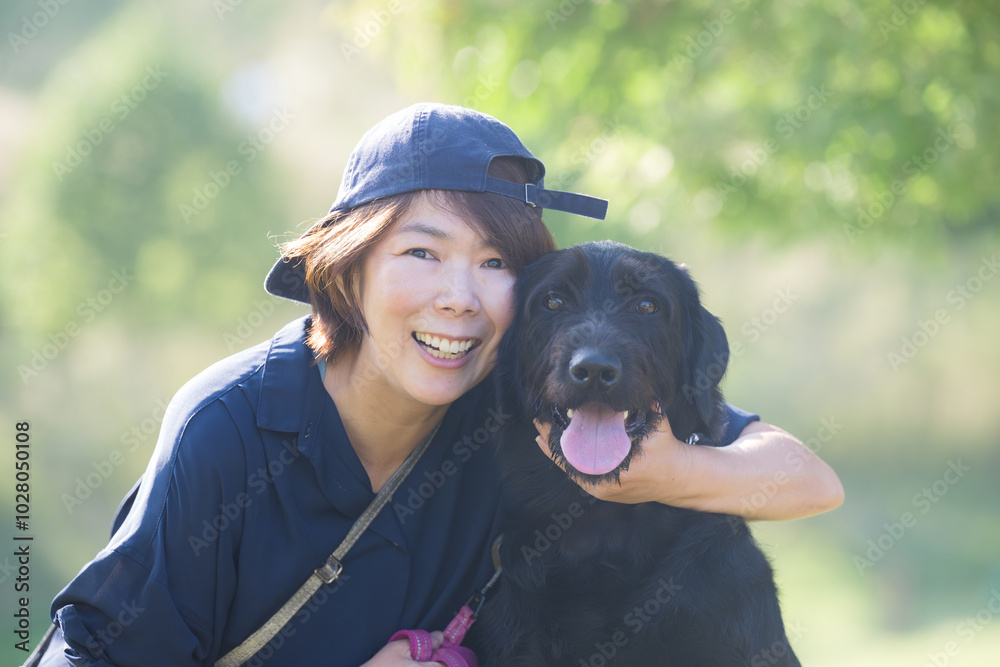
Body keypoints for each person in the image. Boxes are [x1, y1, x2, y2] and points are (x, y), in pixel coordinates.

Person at [45, 103, 843, 667]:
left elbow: (804, 478)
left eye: (496, 264)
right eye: (421, 253)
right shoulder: (229, 426)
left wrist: (664, 474)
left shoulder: (516, 403)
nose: (459, 296)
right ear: (348, 269)